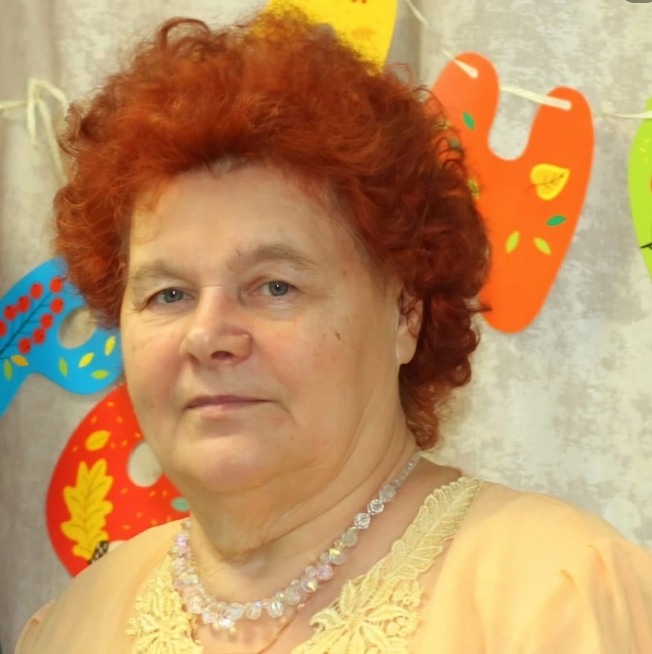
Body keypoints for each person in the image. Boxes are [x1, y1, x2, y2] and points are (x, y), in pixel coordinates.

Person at [15, 9, 652, 654]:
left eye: (274, 287)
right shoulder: (73, 628)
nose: (208, 335)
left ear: (406, 313)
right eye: (168, 294)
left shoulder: (561, 599)